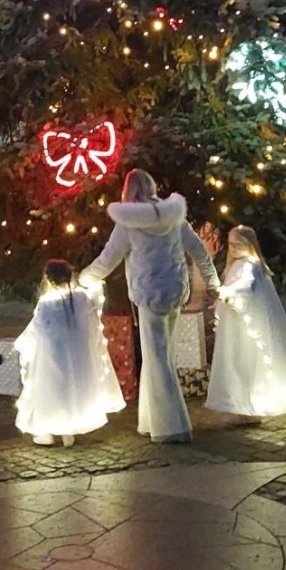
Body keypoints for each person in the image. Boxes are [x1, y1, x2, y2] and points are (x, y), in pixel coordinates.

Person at [79, 169, 221, 444]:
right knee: (163, 357)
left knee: (157, 360)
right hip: (175, 291)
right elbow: (199, 251)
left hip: (149, 295)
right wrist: (213, 282)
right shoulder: (174, 216)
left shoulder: (128, 223)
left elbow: (107, 260)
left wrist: (83, 279)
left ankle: (172, 427)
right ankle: (151, 421)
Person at [205, 226, 286, 419]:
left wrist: (224, 293)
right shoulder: (236, 265)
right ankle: (239, 403)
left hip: (248, 324)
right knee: (236, 359)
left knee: (248, 359)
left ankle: (253, 403)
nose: (233, 248)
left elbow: (245, 286)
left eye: (238, 244)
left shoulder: (251, 265)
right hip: (235, 321)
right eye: (231, 244)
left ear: (249, 245)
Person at [14, 259, 125, 446]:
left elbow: (37, 331)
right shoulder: (82, 298)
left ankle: (49, 431)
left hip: (53, 357)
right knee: (75, 386)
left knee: (52, 389)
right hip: (79, 355)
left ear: (48, 280)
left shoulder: (46, 304)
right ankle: (69, 431)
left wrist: (24, 344)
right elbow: (95, 304)